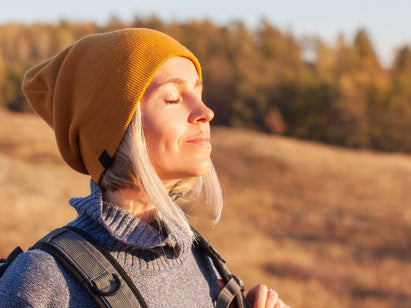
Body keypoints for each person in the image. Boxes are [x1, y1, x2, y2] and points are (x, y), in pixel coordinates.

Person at [0, 28, 289, 308]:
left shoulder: (198, 258)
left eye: (199, 93)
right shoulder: (41, 281)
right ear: (117, 131)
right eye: (173, 98)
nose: (206, 112)